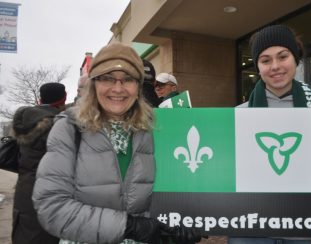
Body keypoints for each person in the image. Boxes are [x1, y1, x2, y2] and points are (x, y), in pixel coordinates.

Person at [32, 42, 202, 244]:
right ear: (94, 84)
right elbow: (52, 206)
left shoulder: (151, 130)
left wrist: (177, 226)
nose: (118, 88)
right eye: (107, 78)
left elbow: (161, 194)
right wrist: (129, 227)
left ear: (138, 87)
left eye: (128, 79)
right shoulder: (69, 128)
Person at [229, 25, 311, 244]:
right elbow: (221, 176)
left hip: (309, 232)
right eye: (265, 60)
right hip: (251, 232)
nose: (275, 66)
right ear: (258, 67)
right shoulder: (239, 115)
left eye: (283, 56)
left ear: (296, 59)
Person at [11, 82, 66, 244]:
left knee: (25, 232)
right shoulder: (60, 124)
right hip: (51, 191)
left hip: (24, 190)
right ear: (64, 98)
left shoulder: (24, 121)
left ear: (40, 99)